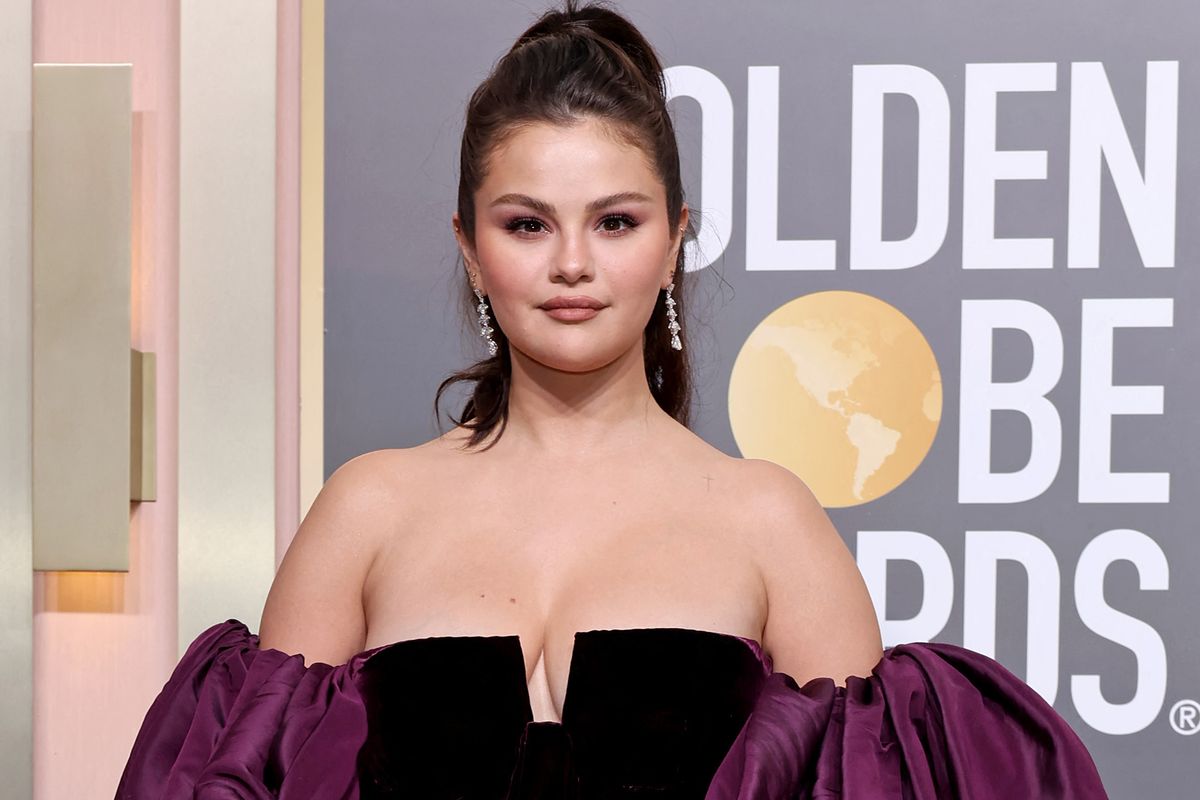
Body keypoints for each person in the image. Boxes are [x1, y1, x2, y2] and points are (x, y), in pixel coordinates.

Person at [116, 1, 1109, 798]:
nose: (575, 264)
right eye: (527, 223)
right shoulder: (367, 508)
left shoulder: (768, 519)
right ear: (470, 244)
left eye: (616, 220)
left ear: (674, 238)